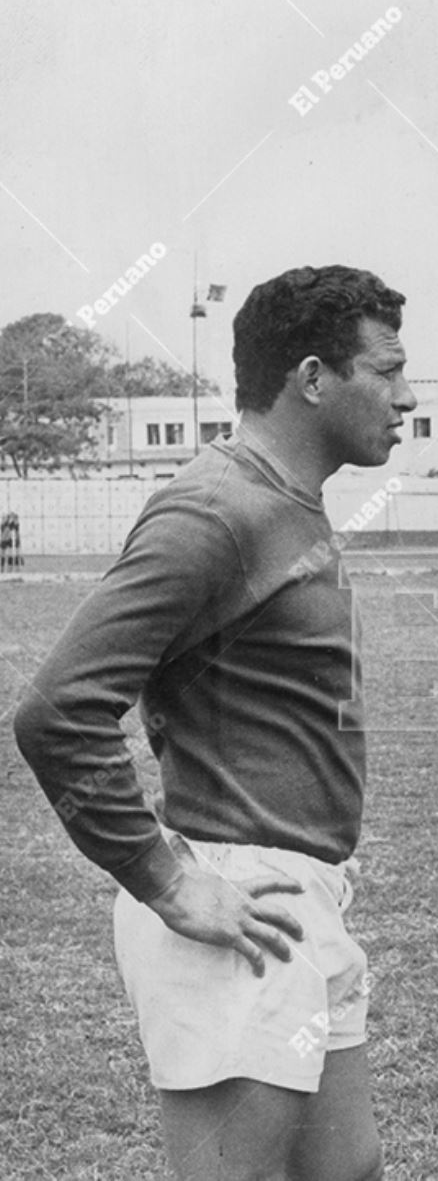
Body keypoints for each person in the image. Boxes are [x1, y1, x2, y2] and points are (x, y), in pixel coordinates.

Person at [13, 265, 415, 1180]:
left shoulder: (286, 501)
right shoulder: (214, 509)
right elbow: (58, 709)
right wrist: (166, 880)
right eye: (385, 370)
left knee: (346, 1168)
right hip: (235, 891)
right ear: (313, 379)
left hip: (301, 890)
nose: (407, 393)